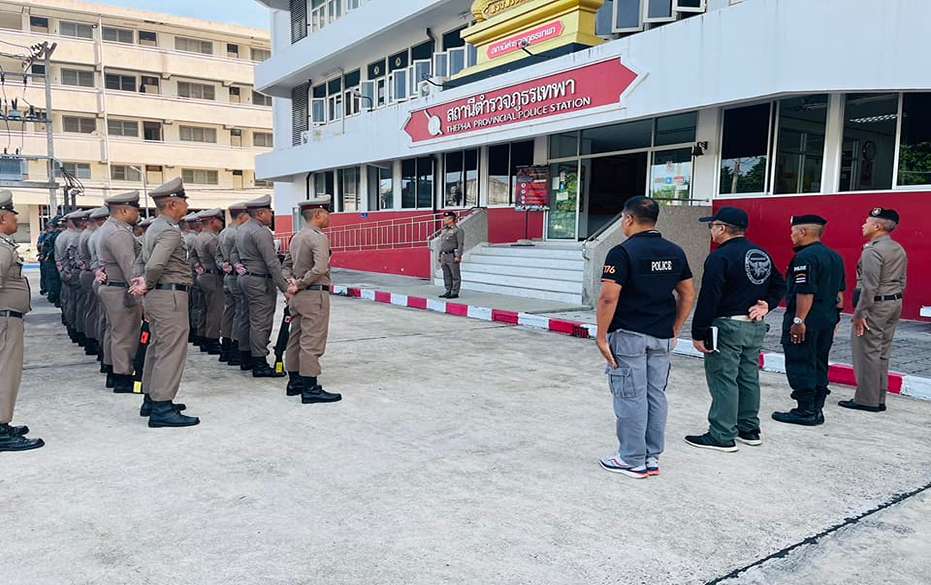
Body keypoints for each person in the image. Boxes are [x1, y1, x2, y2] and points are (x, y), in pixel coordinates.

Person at [595, 196, 695, 478]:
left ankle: (631, 459)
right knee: (655, 395)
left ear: (628, 219)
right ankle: (651, 457)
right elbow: (687, 294)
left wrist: (601, 336)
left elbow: (608, 297)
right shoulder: (675, 251)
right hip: (661, 335)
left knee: (630, 395)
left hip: (629, 335)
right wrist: (676, 328)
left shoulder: (622, 252)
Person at [685, 207, 786, 452]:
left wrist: (698, 332)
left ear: (722, 228)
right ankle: (749, 429)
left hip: (728, 326)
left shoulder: (720, 257)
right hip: (754, 325)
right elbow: (780, 284)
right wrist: (767, 304)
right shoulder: (760, 253)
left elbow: (709, 297)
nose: (711, 230)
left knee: (724, 378)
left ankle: (722, 434)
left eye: (712, 226)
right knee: (748, 377)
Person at [129, 177, 199, 427]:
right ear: (172, 204)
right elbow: (156, 264)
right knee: (171, 350)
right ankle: (162, 407)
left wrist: (142, 283)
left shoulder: (153, 228)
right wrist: (147, 282)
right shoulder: (169, 231)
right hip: (169, 296)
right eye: (184, 201)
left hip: (158, 296)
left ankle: (151, 398)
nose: (187, 205)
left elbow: (140, 261)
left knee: (157, 347)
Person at [772, 215, 846, 426]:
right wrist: (835, 319)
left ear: (803, 232)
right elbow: (840, 295)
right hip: (826, 320)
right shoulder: (834, 257)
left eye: (793, 232)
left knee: (800, 362)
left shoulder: (804, 258)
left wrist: (798, 321)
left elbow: (805, 292)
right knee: (819, 362)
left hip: (806, 322)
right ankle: (816, 408)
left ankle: (805, 410)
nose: (791, 236)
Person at [842, 208, 908, 413]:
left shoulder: (872, 251)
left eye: (867, 222)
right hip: (893, 303)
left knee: (867, 352)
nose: (863, 225)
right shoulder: (897, 248)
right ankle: (879, 398)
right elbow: (902, 280)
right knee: (882, 352)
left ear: (877, 226)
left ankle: (866, 400)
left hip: (874, 306)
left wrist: (860, 314)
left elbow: (870, 286)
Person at [282, 197, 342, 404]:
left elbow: (285, 266)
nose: (329, 217)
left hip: (298, 297)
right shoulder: (318, 237)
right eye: (327, 213)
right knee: (312, 341)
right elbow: (320, 268)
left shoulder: (296, 237)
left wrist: (291, 282)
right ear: (318, 214)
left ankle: (295, 382)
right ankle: (310, 388)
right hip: (314, 295)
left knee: (296, 338)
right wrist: (299, 284)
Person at [0, 191, 44, 451]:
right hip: (4, 320)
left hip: (7, 318)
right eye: (12, 215)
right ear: (2, 218)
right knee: (5, 372)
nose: (16, 219)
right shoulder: (1, 248)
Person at [233, 195, 289, 377]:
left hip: (245, 278)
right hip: (259, 281)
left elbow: (233, 253)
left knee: (245, 318)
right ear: (260, 213)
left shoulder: (241, 229)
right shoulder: (261, 232)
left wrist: (238, 265)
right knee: (260, 321)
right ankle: (259, 363)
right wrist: (285, 288)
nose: (271, 215)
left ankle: (245, 358)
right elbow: (272, 262)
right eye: (269, 212)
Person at [97, 191, 144, 394]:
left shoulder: (108, 228)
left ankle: (112, 370)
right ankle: (122, 377)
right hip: (120, 289)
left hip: (112, 287)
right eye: (135, 210)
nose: (138, 214)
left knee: (114, 332)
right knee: (126, 335)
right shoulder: (119, 232)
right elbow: (130, 266)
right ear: (124, 210)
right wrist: (141, 293)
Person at [216, 203, 247, 366]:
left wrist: (224, 265)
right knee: (240, 313)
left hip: (228, 276)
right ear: (242, 216)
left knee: (228, 312)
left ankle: (226, 347)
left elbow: (218, 256)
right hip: (237, 277)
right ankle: (235, 349)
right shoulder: (238, 233)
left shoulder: (223, 233)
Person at [193, 209, 225, 355]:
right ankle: (212, 340)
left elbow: (192, 256)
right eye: (220, 220)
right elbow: (219, 259)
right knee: (215, 310)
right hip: (213, 277)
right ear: (213, 221)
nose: (222, 223)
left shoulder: (199, 237)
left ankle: (202, 338)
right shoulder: (212, 239)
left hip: (202, 276)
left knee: (203, 309)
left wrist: (197, 265)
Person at [77, 207, 108, 358]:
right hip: (96, 274)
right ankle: (95, 344)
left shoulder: (92, 234)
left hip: (93, 273)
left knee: (94, 311)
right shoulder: (98, 235)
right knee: (98, 313)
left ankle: (94, 342)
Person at [182, 213, 207, 350]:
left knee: (191, 305)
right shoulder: (193, 238)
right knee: (198, 305)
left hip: (187, 276)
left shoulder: (185, 237)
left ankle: (192, 332)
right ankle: (196, 332)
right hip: (194, 276)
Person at [437, 211, 464, 299]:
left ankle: (455, 292)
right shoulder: (445, 230)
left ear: (451, 219)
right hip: (444, 255)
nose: (444, 220)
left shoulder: (458, 230)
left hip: (452, 255)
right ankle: (448, 290)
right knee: (446, 274)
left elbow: (460, 244)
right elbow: (442, 244)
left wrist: (458, 256)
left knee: (455, 274)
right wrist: (439, 255)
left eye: (446, 218)